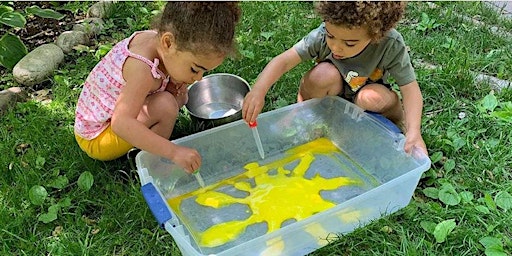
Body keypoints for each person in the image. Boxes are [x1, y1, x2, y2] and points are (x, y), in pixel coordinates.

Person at [74, 2, 241, 173]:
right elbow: (121, 124)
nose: (198, 78)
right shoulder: (141, 70)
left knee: (174, 100)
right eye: (194, 69)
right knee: (166, 105)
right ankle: (155, 165)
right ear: (168, 42)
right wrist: (173, 152)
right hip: (97, 137)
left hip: (112, 119)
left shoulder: (161, 44)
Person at [242, 1, 427, 155]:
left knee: (369, 97)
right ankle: (306, 114)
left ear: (376, 34)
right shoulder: (322, 36)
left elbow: (409, 88)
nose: (336, 47)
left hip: (370, 97)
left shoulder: (390, 44)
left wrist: (414, 131)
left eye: (350, 43)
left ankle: (396, 124)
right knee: (322, 75)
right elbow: (284, 61)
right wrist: (259, 89)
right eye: (331, 36)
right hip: (335, 95)